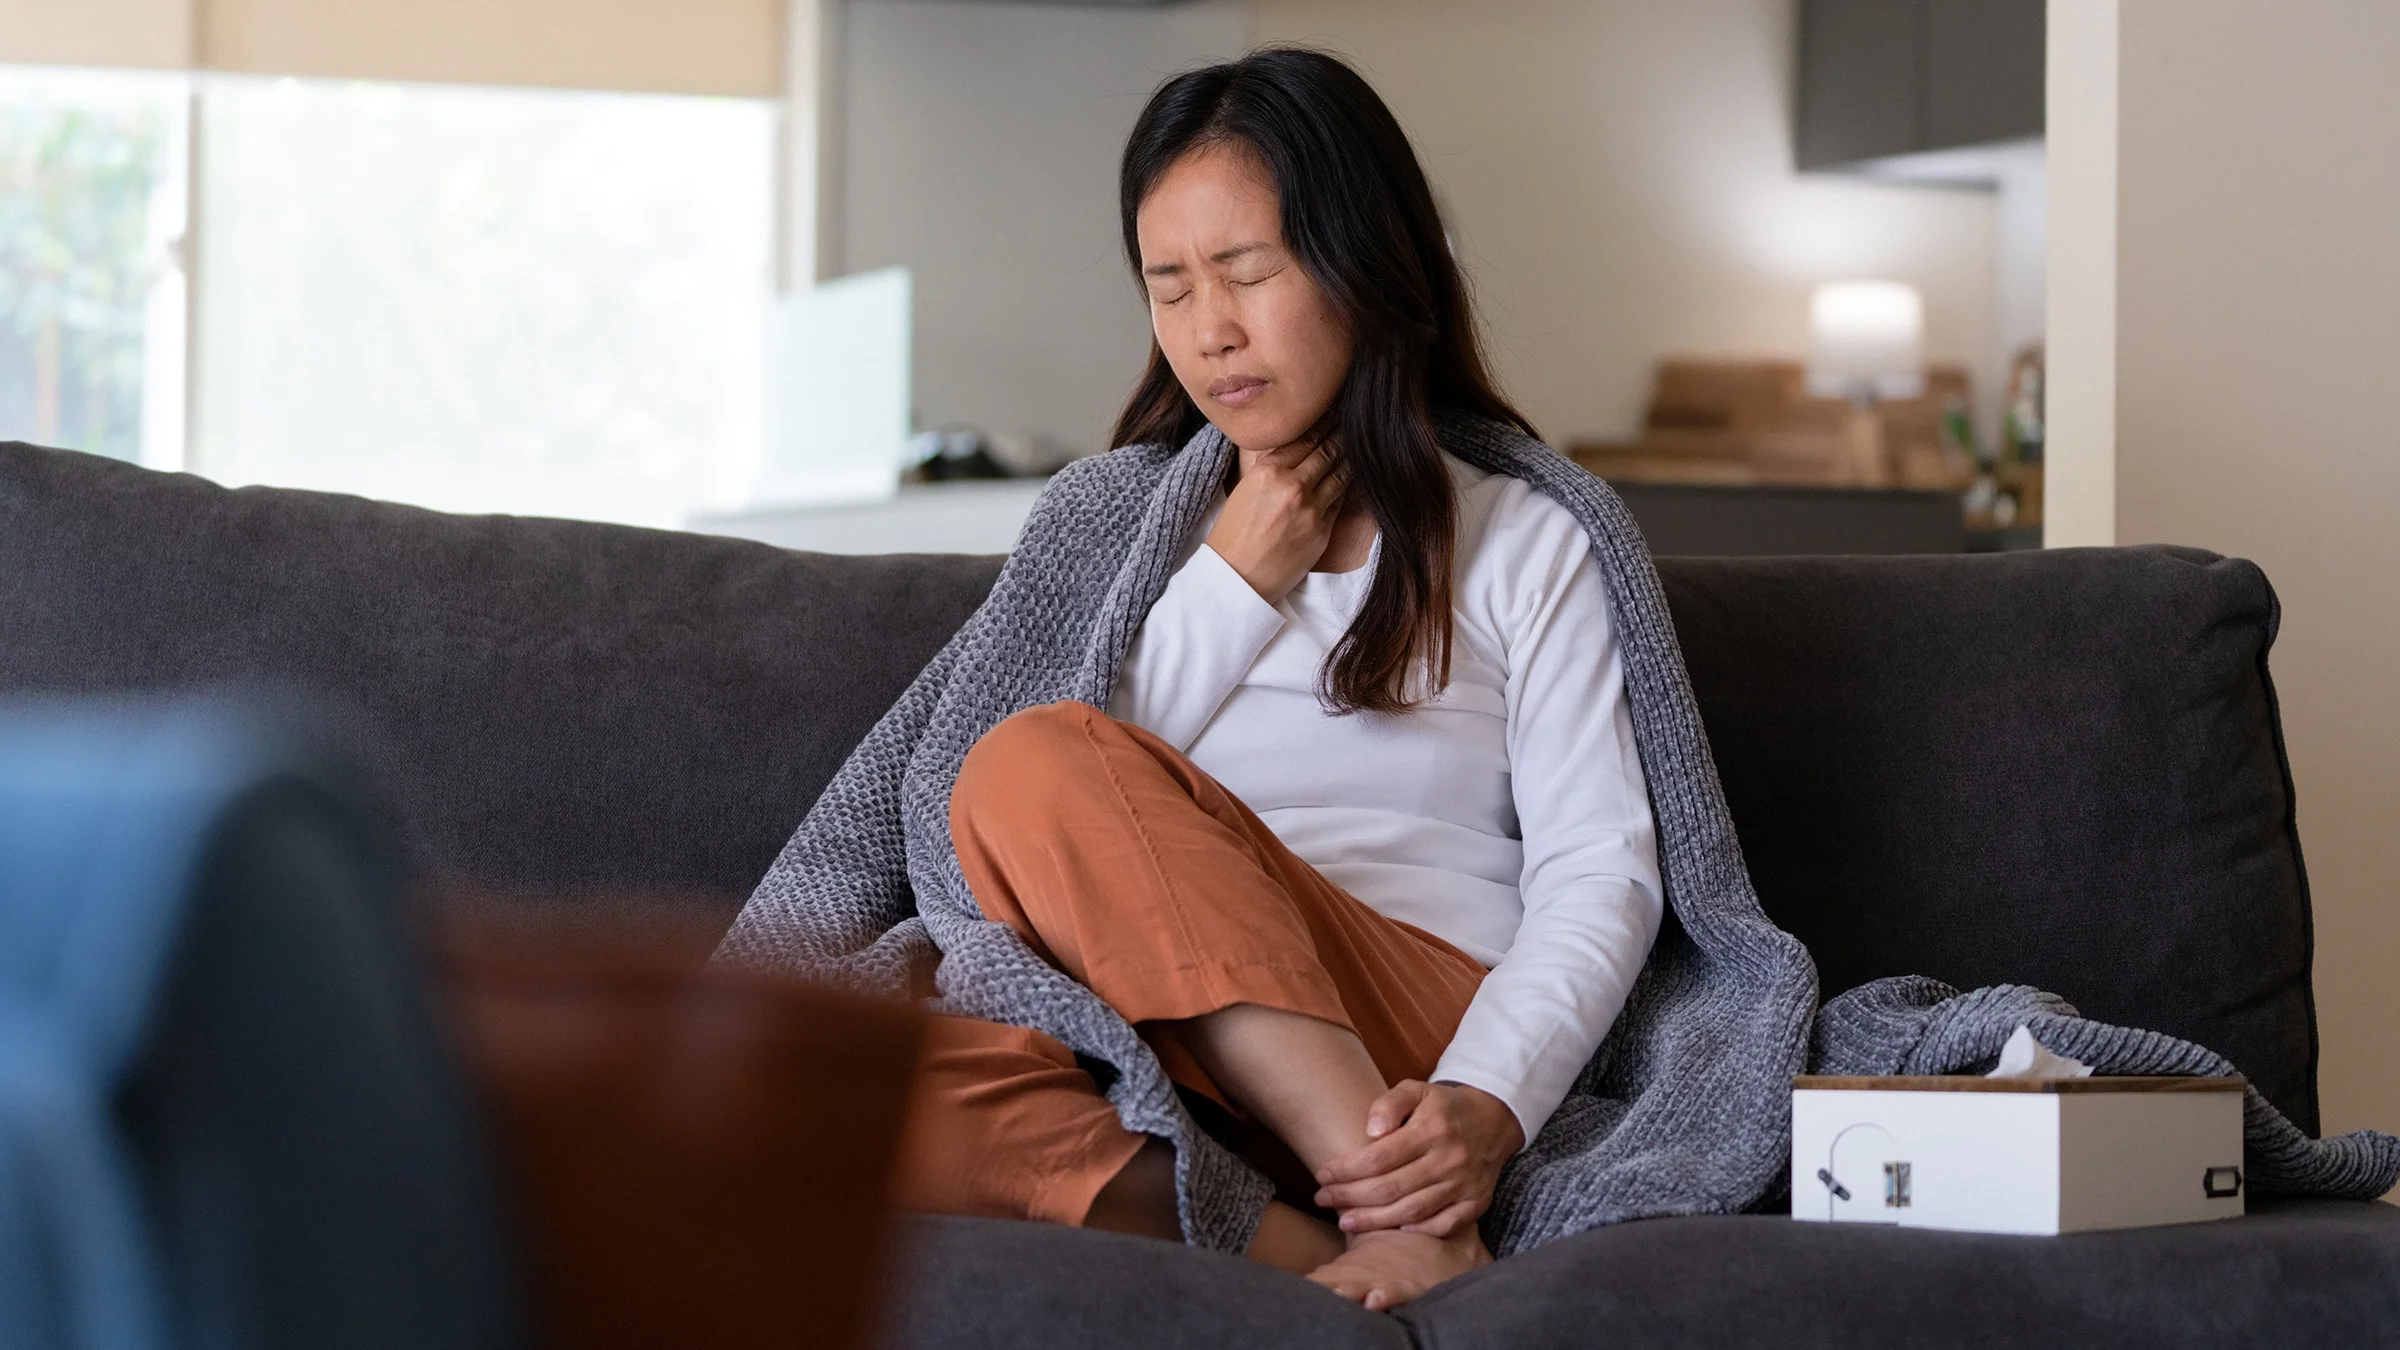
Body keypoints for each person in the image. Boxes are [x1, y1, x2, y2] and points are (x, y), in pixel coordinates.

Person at [889, 48, 1663, 1311]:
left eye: (1249, 270)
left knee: (1034, 756)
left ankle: (1384, 1181)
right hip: (1165, 1039)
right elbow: (1029, 839)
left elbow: (1602, 868)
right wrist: (1233, 579)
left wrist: (1487, 1103)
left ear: (1369, 263)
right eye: (1170, 287)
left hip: (1420, 1026)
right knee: (861, 1076)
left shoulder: (1529, 535)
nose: (1212, 331)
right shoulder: (1117, 522)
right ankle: (1345, 1265)